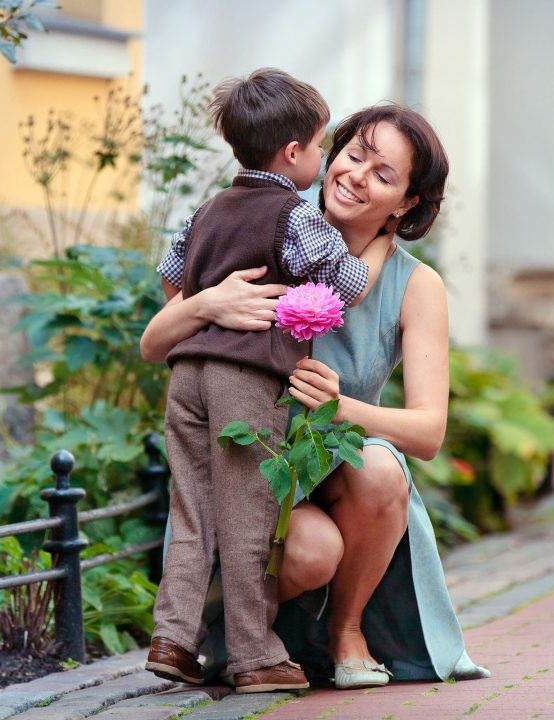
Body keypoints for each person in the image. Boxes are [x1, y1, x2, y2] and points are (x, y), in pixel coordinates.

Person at [140, 103, 490, 690]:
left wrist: (341, 406)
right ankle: (240, 637)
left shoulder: (415, 285)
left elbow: (428, 433)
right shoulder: (271, 226)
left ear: (405, 203)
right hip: (250, 474)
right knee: (310, 552)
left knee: (380, 468)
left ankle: (347, 630)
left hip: (336, 472)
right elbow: (154, 343)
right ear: (326, 153)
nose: (356, 176)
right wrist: (206, 304)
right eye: (354, 155)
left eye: (384, 175)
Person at [145, 68, 390, 695]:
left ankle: (173, 638)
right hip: (243, 380)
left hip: (188, 373)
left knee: (193, 510)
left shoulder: (209, 209)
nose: (322, 159)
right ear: (292, 154)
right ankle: (256, 656)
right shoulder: (293, 215)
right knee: (249, 514)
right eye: (319, 147)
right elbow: (349, 287)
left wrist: (209, 306)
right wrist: (382, 248)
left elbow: (172, 277)